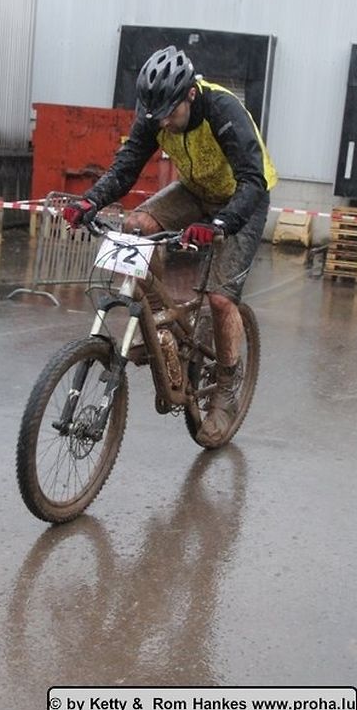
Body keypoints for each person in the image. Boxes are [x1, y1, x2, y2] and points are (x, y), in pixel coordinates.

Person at [62, 46, 277, 445]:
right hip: (195, 190)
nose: (161, 122)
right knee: (135, 226)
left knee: (220, 299)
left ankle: (226, 388)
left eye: (169, 113)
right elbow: (126, 166)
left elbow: (253, 180)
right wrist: (90, 201)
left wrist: (220, 224)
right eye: (155, 113)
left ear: (190, 95)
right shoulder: (155, 115)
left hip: (242, 199)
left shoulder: (222, 111)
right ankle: (159, 321)